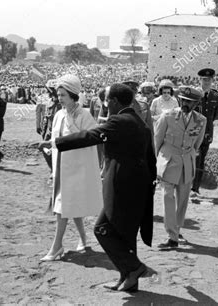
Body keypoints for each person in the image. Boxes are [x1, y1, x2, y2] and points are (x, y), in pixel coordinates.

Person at [36, 83, 157, 292]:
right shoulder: (139, 123)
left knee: (102, 230)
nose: (105, 103)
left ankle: (135, 268)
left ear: (115, 102)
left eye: (107, 99)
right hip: (139, 187)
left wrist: (55, 143)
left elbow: (90, 136)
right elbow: (151, 158)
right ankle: (128, 279)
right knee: (125, 234)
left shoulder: (118, 121)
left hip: (121, 186)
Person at [40, 74, 103, 261]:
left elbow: (91, 140)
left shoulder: (84, 115)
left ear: (73, 95)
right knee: (69, 206)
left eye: (63, 95)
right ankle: (83, 240)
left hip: (77, 170)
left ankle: (56, 246)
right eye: (58, 95)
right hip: (61, 168)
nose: (59, 99)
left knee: (62, 208)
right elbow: (56, 139)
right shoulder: (59, 114)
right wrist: (47, 144)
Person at [155, 86, 206, 249]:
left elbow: (197, 144)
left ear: (196, 104)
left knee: (182, 201)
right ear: (180, 99)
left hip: (186, 163)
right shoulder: (167, 116)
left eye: (190, 102)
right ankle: (172, 236)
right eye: (184, 100)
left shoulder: (201, 120)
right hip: (168, 161)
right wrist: (154, 163)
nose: (186, 104)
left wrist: (188, 154)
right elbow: (157, 140)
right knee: (168, 196)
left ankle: (176, 231)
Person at [191, 68, 218, 194]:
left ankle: (195, 188)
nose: (207, 82)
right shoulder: (194, 94)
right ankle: (188, 185)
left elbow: (215, 116)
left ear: (212, 80)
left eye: (209, 80)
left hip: (207, 133)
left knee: (201, 159)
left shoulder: (215, 96)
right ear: (200, 80)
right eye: (204, 79)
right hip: (194, 132)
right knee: (191, 158)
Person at [39, 80, 62, 171]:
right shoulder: (49, 102)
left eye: (50, 90)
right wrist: (43, 130)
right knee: (45, 149)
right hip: (49, 131)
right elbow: (46, 117)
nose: (48, 92)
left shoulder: (62, 103)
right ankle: (52, 169)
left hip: (59, 132)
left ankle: (56, 170)